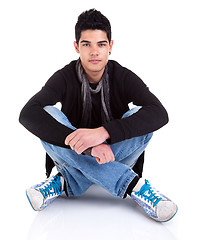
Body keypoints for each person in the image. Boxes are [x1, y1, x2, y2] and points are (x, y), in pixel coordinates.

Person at [19, 9, 177, 222]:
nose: (94, 52)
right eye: (87, 44)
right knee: (47, 114)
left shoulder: (123, 76)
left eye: (101, 44)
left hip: (116, 155)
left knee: (141, 115)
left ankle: (65, 181)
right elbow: (28, 113)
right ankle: (132, 185)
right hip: (76, 153)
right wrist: (90, 147)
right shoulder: (64, 77)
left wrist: (103, 134)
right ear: (76, 47)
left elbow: (159, 113)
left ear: (110, 46)